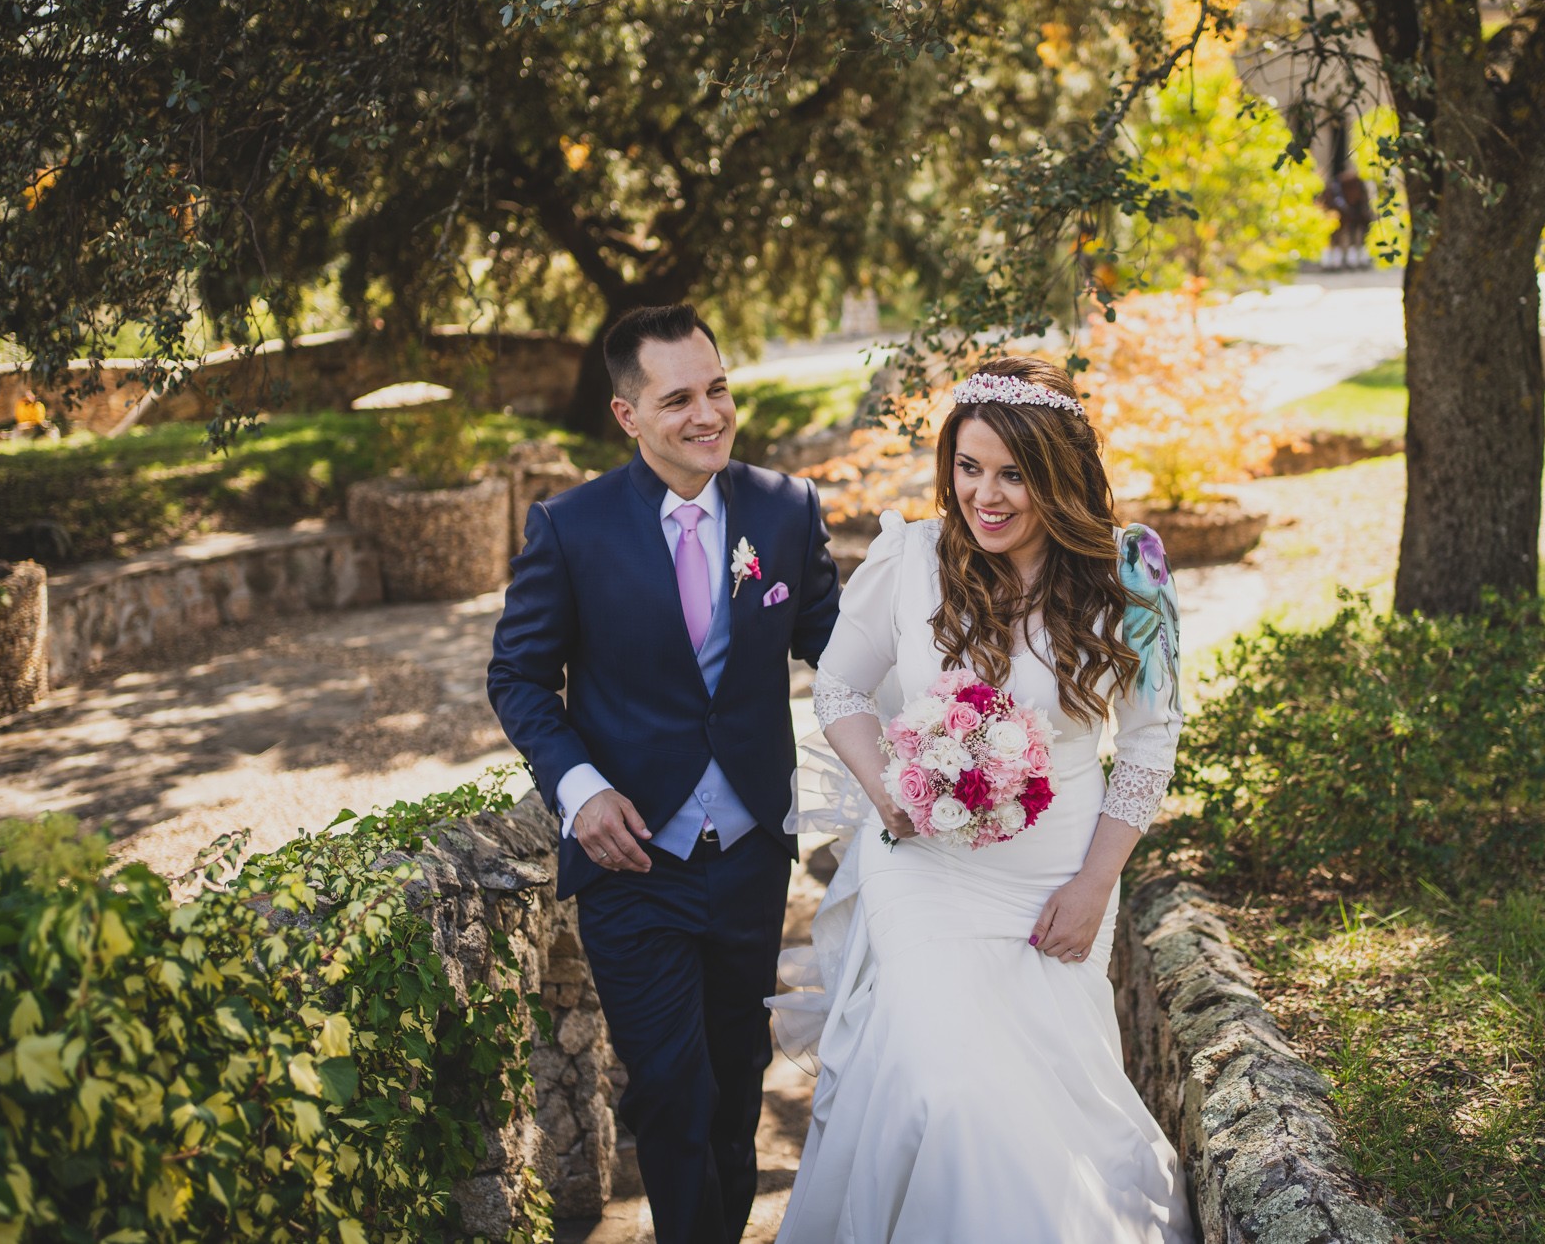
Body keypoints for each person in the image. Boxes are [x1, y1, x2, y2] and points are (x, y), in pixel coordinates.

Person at [772, 355, 1191, 1242]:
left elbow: (1151, 746)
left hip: (1058, 881)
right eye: (968, 468)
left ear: (1058, 474)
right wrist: (886, 791)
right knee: (948, 1088)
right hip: (924, 871)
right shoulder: (910, 559)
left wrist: (1093, 888)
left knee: (1044, 1096)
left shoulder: (1133, 574)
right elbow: (840, 689)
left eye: (1012, 473)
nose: (985, 495)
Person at [486, 304, 841, 1244]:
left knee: (732, 1086)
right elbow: (517, 675)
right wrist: (580, 788)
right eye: (678, 397)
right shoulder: (570, 528)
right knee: (674, 1092)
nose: (707, 414)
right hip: (634, 859)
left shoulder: (786, 508)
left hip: (752, 852)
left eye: (717, 388)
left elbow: (842, 652)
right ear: (627, 415)